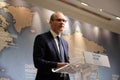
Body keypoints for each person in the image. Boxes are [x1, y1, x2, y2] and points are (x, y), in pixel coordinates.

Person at [33, 12, 70, 80]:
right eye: (59, 20)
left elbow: (66, 62)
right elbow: (38, 62)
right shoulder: (42, 38)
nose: (62, 22)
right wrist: (57, 65)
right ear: (51, 22)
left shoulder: (65, 43)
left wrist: (73, 66)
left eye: (64, 20)